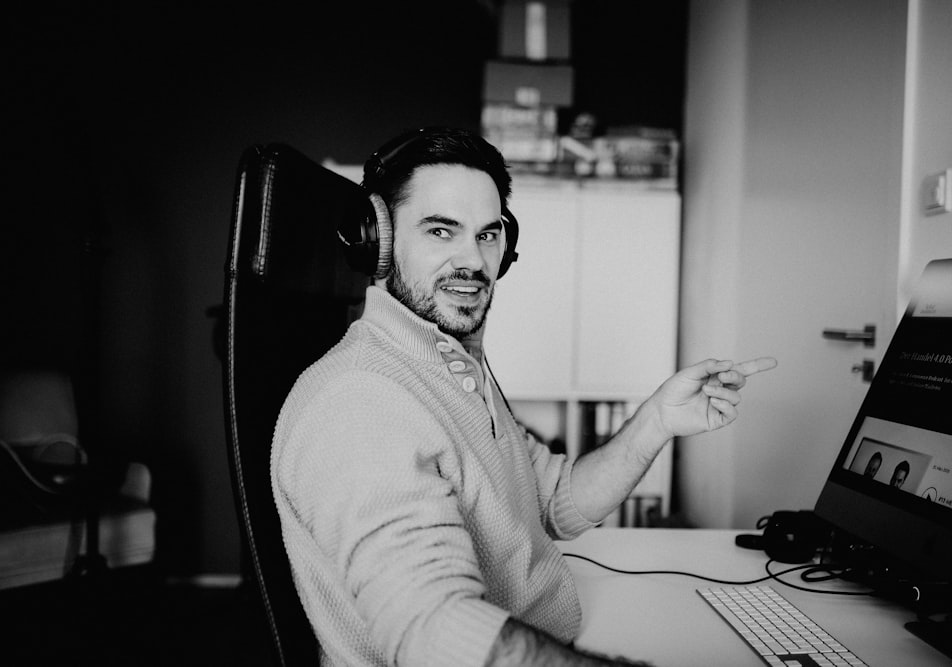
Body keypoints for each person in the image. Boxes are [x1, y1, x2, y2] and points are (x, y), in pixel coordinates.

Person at [271, 127, 778, 666]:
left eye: (487, 234)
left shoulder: (449, 366)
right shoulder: (360, 402)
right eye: (442, 231)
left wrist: (656, 419)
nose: (473, 261)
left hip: (549, 630)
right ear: (381, 241)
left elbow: (552, 501)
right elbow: (431, 630)